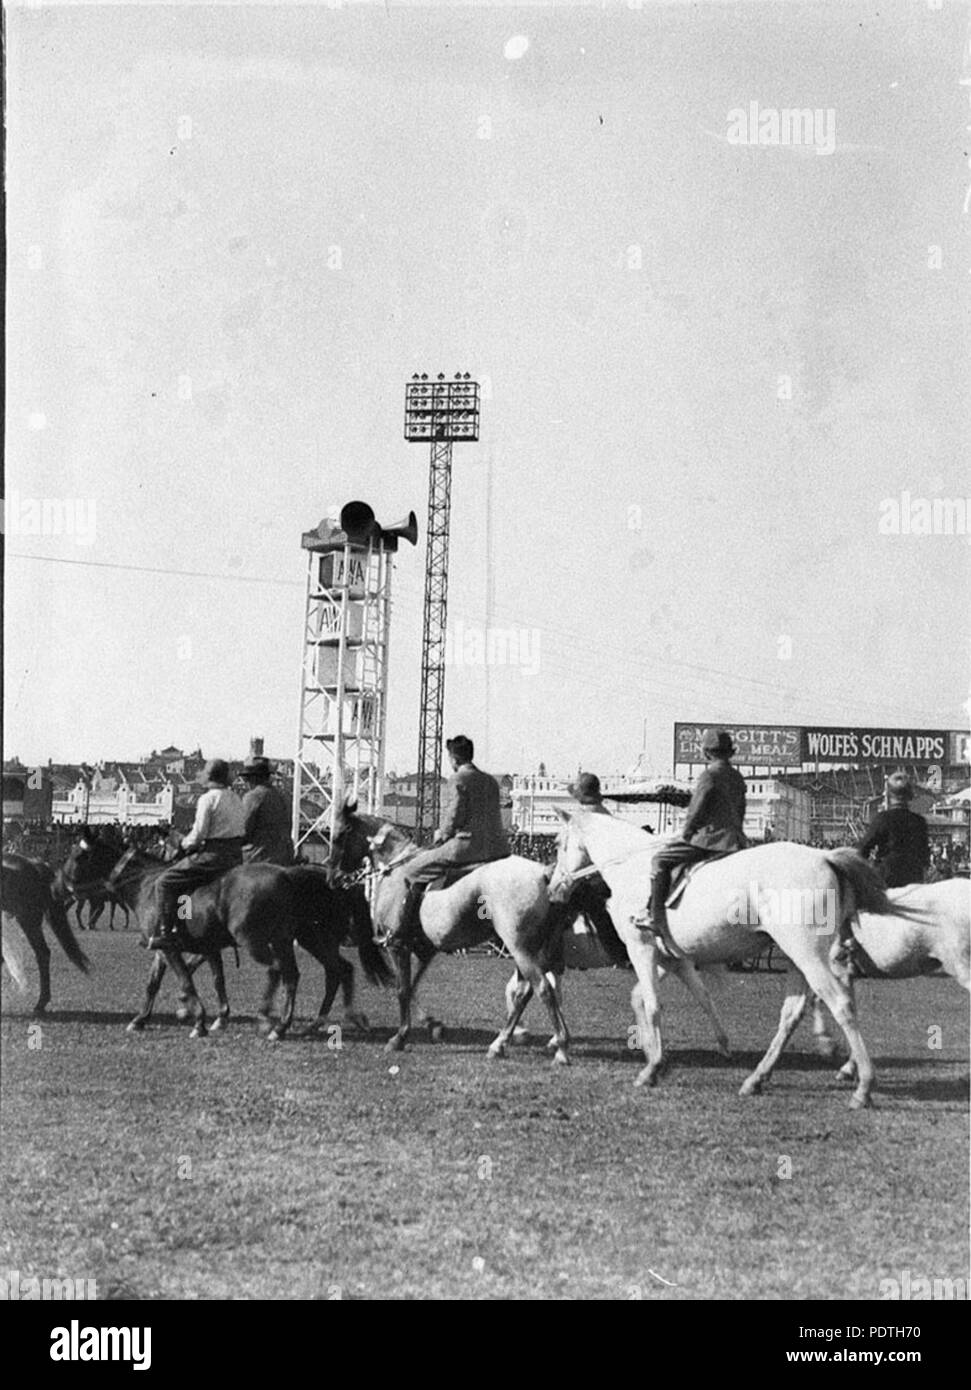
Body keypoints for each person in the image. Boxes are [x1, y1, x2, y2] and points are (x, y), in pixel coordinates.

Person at [388, 735, 510, 948]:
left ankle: (402, 932)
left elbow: (455, 814)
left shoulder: (457, 779)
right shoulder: (491, 781)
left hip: (466, 847)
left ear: (453, 758)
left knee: (409, 870)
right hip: (498, 848)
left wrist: (442, 834)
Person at [635, 728, 747, 943]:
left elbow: (696, 810)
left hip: (710, 840)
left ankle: (654, 917)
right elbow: (740, 810)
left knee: (660, 860)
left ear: (706, 753)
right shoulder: (737, 777)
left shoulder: (709, 775)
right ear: (730, 752)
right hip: (735, 839)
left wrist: (686, 833)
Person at [147, 759, 246, 949]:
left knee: (165, 882)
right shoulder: (236, 798)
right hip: (235, 857)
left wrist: (183, 844)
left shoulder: (207, 799)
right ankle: (185, 921)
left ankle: (167, 933)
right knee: (186, 887)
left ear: (209, 776)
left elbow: (199, 834)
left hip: (212, 856)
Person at [856, 772, 929, 888]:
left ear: (888, 795)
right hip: (914, 880)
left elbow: (862, 850)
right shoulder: (919, 821)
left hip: (885, 879)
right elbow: (925, 857)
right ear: (910, 795)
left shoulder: (882, 819)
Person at [240, 756, 294, 865]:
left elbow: (243, 832)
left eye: (246, 779)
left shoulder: (252, 797)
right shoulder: (284, 796)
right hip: (285, 858)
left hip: (257, 858)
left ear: (252, 779)